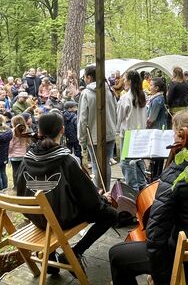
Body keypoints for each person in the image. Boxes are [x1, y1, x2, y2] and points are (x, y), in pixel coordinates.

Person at [109, 110, 188, 285]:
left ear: (182, 136)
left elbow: (156, 234)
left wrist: (161, 276)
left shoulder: (177, 174)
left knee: (116, 255)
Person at [16, 112, 117, 275]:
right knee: (111, 214)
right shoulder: (66, 160)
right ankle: (75, 253)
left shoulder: (27, 158)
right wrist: (102, 199)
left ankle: (50, 261)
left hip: (36, 218)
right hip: (60, 219)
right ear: (62, 130)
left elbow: (21, 191)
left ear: (39, 131)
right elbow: (88, 200)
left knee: (50, 204)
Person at [77, 65, 117, 191]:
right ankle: (107, 191)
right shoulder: (109, 90)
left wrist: (81, 138)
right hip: (109, 133)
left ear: (89, 77)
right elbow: (115, 110)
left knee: (96, 165)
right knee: (106, 164)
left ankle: (98, 194)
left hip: (93, 135)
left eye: (84, 77)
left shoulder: (87, 93)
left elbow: (82, 118)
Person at [116, 70, 147, 193]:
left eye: (125, 79)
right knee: (139, 162)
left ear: (129, 81)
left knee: (127, 163)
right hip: (140, 134)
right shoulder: (142, 95)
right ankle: (143, 188)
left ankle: (132, 191)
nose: (123, 81)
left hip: (129, 134)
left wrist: (117, 130)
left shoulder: (126, 97)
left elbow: (120, 117)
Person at [9, 115, 31, 188]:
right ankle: (23, 185)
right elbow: (28, 143)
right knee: (23, 171)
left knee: (15, 171)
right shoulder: (26, 130)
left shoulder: (12, 132)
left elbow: (11, 145)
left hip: (14, 156)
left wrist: (9, 152)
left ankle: (16, 186)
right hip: (23, 155)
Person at [0, 115, 12, 190]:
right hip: (4, 155)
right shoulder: (8, 131)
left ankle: (1, 189)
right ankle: (5, 187)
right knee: (3, 172)